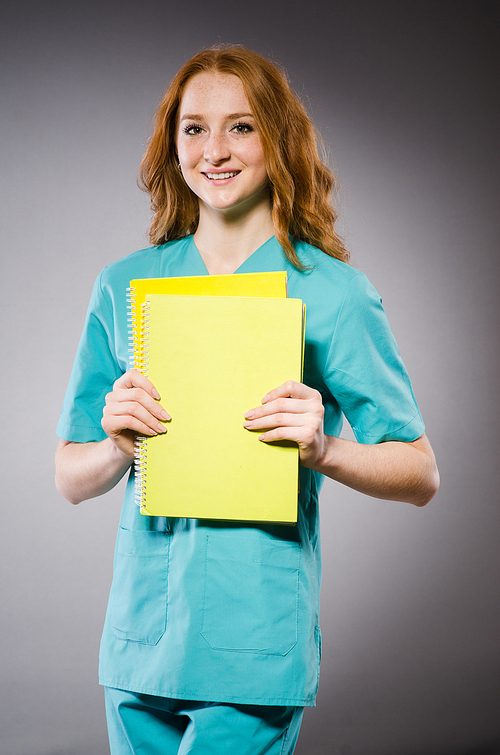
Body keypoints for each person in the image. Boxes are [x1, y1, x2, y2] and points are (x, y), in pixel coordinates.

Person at [55, 45, 439, 755]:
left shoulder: (332, 292)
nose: (215, 150)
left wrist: (324, 447)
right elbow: (69, 475)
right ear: (173, 146)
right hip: (140, 638)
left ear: (278, 140)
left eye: (242, 126)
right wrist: (115, 445)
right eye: (194, 128)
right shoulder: (125, 286)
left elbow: (420, 473)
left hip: (254, 642)